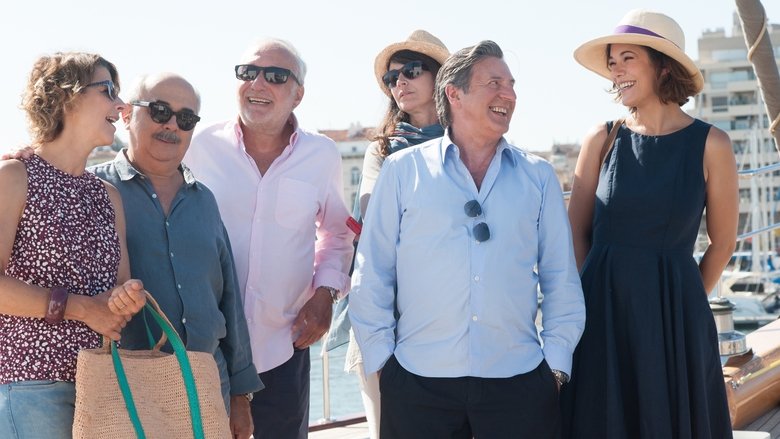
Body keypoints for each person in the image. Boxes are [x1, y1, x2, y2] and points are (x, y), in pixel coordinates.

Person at [349, 40, 586, 439]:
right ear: (454, 95)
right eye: (494, 83)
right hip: (416, 384)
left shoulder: (539, 177)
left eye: (511, 85)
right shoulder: (401, 171)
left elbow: (561, 279)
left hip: (521, 383)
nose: (508, 94)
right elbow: (371, 272)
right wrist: (383, 365)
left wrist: (556, 369)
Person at [562, 10, 737, 438]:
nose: (616, 71)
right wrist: (595, 296)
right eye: (612, 63)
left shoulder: (712, 144)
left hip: (675, 315)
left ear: (663, 66)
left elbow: (722, 243)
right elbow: (575, 233)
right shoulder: (601, 138)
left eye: (628, 59)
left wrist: (682, 300)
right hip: (603, 313)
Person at [185, 38, 354, 439]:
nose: (258, 84)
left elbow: (336, 234)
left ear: (298, 94)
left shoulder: (321, 155)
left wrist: (325, 294)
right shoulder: (198, 145)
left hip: (284, 346)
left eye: (276, 76)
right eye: (248, 72)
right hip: (206, 350)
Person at [89, 72, 263, 439]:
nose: (172, 125)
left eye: (185, 118)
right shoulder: (90, 192)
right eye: (159, 111)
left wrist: (240, 395)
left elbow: (228, 299)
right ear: (126, 114)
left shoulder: (205, 200)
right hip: (127, 392)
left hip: (208, 388)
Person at [0, 52, 146, 438]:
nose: (121, 104)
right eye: (108, 90)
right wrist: (82, 308)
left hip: (101, 387)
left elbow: (119, 290)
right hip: (33, 385)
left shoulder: (108, 197)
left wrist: (127, 299)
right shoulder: (14, 176)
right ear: (67, 97)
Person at [322, 29, 449, 439]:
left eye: (411, 71)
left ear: (440, 76)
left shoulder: (470, 143)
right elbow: (376, 219)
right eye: (391, 78)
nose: (400, 83)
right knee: (386, 425)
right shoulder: (381, 150)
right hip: (385, 306)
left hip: (451, 307)